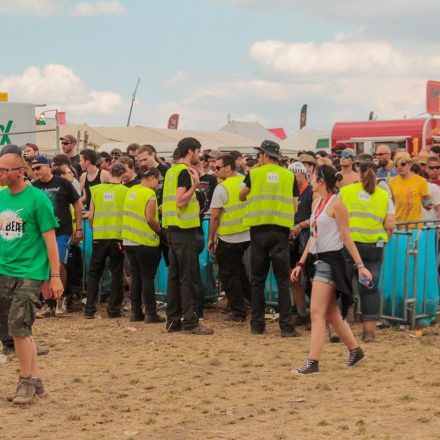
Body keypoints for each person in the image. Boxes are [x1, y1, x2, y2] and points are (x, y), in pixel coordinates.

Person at [291, 165, 372, 375]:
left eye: (313, 177)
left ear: (321, 181)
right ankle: (355, 350)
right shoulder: (317, 203)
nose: (310, 180)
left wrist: (360, 265)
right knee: (330, 313)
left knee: (317, 312)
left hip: (332, 262)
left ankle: (313, 361)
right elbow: (314, 236)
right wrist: (300, 263)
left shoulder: (337, 204)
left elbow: (346, 237)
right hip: (318, 260)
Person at [0, 145, 63, 404]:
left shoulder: (38, 199)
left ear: (19, 171)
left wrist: (54, 276)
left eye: (4, 170)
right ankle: (35, 378)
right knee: (19, 328)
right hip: (4, 271)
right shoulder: (2, 197)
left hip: (30, 272)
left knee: (17, 327)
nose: (0, 174)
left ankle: (25, 381)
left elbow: (50, 240)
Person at [239, 140, 298, 337]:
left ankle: (257, 325)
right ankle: (287, 327)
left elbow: (241, 195)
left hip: (259, 231)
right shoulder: (289, 176)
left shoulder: (254, 174)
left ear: (264, 155)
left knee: (258, 279)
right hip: (280, 231)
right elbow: (295, 205)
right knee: (282, 280)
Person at [162, 137, 213, 335]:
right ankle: (190, 322)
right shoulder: (184, 172)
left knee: (175, 277)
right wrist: (196, 185)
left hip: (172, 229)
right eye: (198, 152)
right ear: (191, 151)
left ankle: (173, 320)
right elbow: (181, 201)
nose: (199, 156)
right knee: (188, 277)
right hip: (184, 230)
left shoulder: (171, 171)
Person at [340, 162, 396, 342]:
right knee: (370, 288)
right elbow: (390, 225)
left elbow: (335, 216)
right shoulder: (384, 195)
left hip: (349, 245)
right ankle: (369, 332)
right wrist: (383, 240)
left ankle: (337, 329)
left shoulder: (346, 191)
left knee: (342, 287)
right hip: (374, 246)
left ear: (358, 172)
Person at [32, 156, 83, 317]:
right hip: (41, 233)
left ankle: (61, 299)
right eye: (33, 169)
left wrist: (79, 228)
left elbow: (77, 204)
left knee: (59, 265)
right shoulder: (34, 187)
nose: (36, 171)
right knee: (44, 267)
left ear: (48, 166)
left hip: (62, 231)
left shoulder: (63, 183)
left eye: (39, 167)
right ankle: (49, 305)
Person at [208, 154, 251, 322]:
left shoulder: (221, 188)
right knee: (239, 271)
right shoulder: (244, 182)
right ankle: (253, 301)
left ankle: (239, 310)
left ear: (228, 167)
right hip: (246, 235)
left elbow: (215, 216)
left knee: (228, 275)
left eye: (218, 167)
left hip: (229, 237)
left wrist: (211, 238)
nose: (215, 171)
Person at [85, 163, 128, 319]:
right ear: (123, 174)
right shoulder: (125, 191)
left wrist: (95, 230)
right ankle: (113, 309)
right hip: (117, 237)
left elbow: (90, 216)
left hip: (99, 237)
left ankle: (89, 310)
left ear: (109, 172)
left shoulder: (96, 189)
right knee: (116, 273)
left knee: (94, 273)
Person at [122, 168, 164, 323]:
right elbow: (150, 219)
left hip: (129, 241)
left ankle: (135, 312)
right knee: (147, 278)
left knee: (136, 277)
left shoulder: (132, 191)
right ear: (152, 177)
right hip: (145, 242)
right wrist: (161, 233)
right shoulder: (150, 194)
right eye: (158, 180)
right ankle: (151, 313)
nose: (158, 183)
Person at [287, 162, 315, 327]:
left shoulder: (312, 192)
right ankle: (301, 312)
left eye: (294, 175)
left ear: (302, 174)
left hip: (308, 238)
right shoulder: (289, 191)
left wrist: (301, 225)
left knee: (311, 278)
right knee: (294, 277)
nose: (291, 179)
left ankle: (314, 313)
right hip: (293, 239)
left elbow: (318, 216)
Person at [389, 152, 430, 224]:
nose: (399, 167)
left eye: (403, 164)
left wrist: (427, 203)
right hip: (398, 225)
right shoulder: (392, 182)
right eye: (396, 165)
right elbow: (392, 204)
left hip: (416, 225)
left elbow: (427, 202)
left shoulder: (421, 181)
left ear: (410, 164)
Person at [422, 156, 440, 221]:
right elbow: (427, 206)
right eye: (431, 168)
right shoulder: (423, 185)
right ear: (426, 169)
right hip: (427, 224)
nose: (435, 170)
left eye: (437, 167)